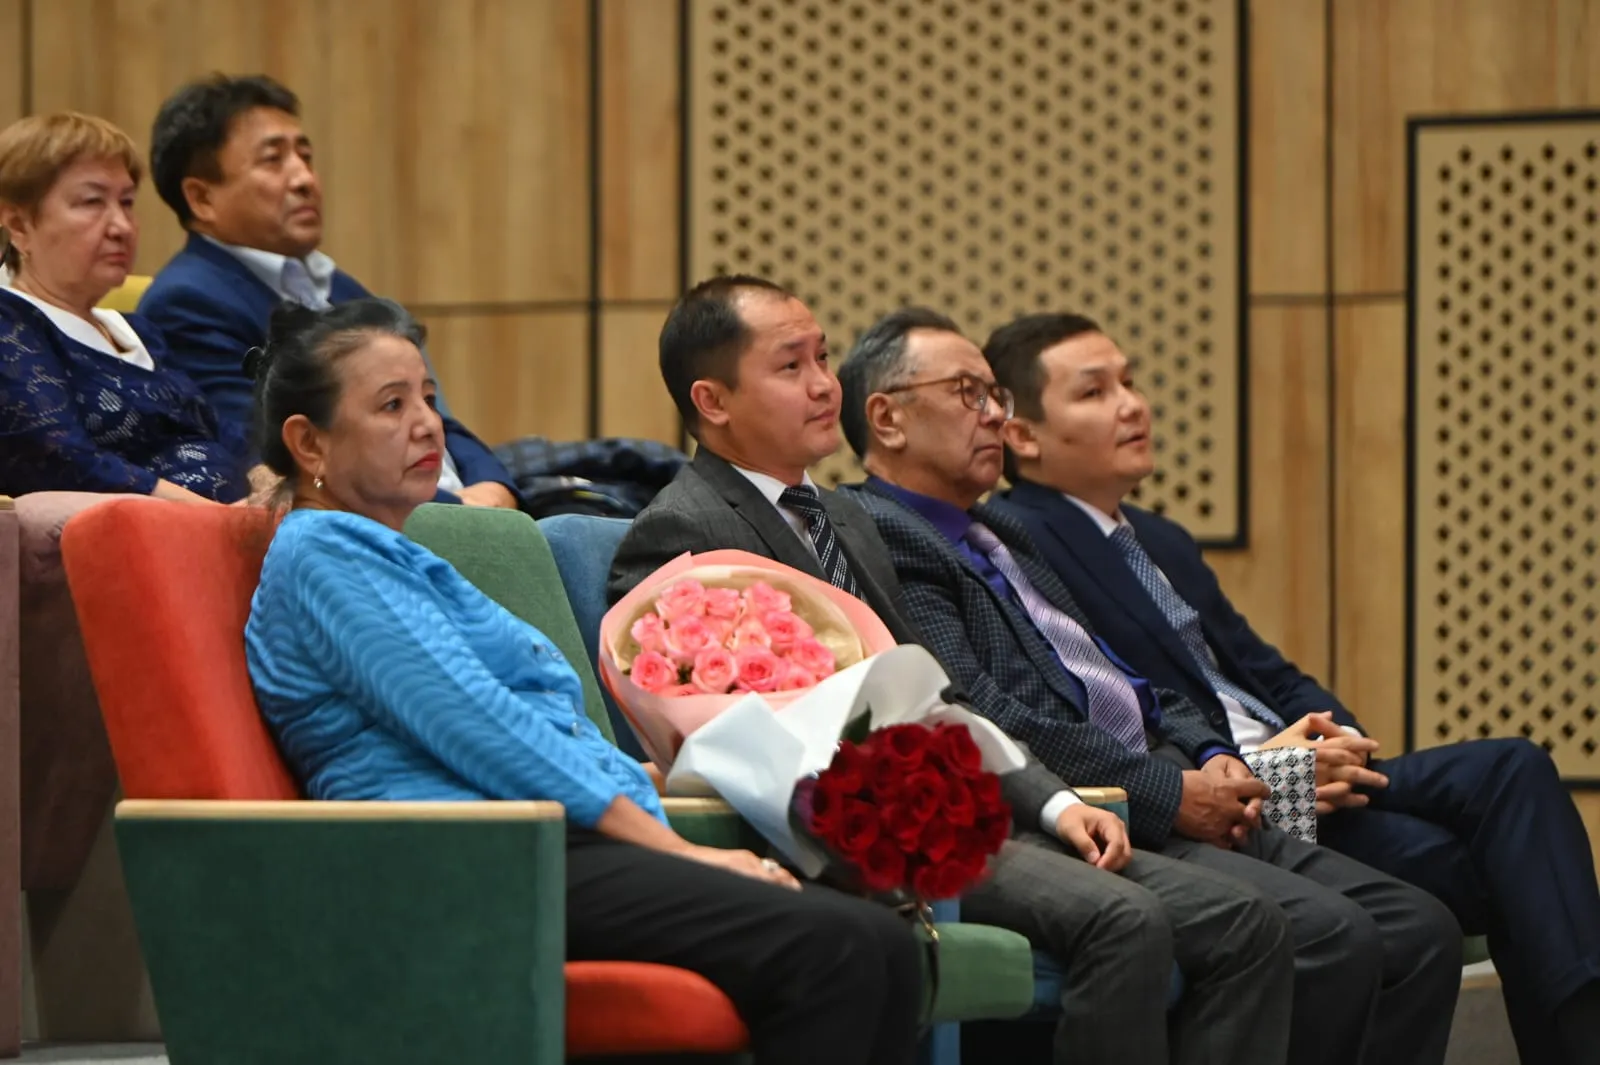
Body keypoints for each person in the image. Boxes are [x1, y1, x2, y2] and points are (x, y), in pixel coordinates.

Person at [608, 277, 1296, 1065]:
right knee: (1126, 921)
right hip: (861, 831)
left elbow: (940, 693)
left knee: (1248, 921)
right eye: (791, 366)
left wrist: (1055, 801)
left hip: (970, 798)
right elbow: (720, 739)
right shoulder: (679, 532)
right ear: (713, 400)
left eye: (824, 357)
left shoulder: (845, 516)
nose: (825, 384)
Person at [241, 297, 924, 1065]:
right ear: (309, 441)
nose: (429, 425)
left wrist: (643, 775)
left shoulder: (397, 555)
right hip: (460, 861)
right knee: (837, 949)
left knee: (889, 945)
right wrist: (683, 852)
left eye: (429, 397)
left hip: (536, 838)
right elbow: (483, 728)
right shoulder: (324, 557)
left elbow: (536, 725)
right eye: (392, 405)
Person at [836, 307, 1464, 1065]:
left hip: (1187, 773)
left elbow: (1121, 676)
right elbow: (983, 710)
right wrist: (1173, 790)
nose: (994, 415)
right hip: (1095, 799)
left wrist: (1211, 751)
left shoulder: (1007, 534)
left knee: (1420, 926)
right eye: (970, 393)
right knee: (1331, 933)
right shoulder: (884, 533)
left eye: (995, 395)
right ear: (888, 419)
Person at [981, 310, 1600, 1065]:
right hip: (1232, 797)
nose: (1132, 405)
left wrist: (1341, 739)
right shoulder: (1020, 540)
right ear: (1024, 435)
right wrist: (1274, 770)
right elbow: (1112, 708)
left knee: (1513, 778)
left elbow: (1264, 668)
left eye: (1131, 382)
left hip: (1310, 775)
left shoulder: (1158, 538)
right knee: (1512, 868)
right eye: (1095, 392)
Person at [137, 73, 518, 510]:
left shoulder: (335, 284)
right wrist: (460, 511)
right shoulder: (188, 305)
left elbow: (435, 415)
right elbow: (275, 458)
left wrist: (494, 486)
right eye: (273, 160)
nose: (304, 178)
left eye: (305, 156)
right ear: (202, 198)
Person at [0, 112, 248, 501]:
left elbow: (221, 432)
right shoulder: (11, 325)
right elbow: (65, 461)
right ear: (19, 225)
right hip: (151, 531)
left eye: (127, 202)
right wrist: (226, 520)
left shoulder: (137, 331)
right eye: (92, 202)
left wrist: (271, 480)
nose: (122, 226)